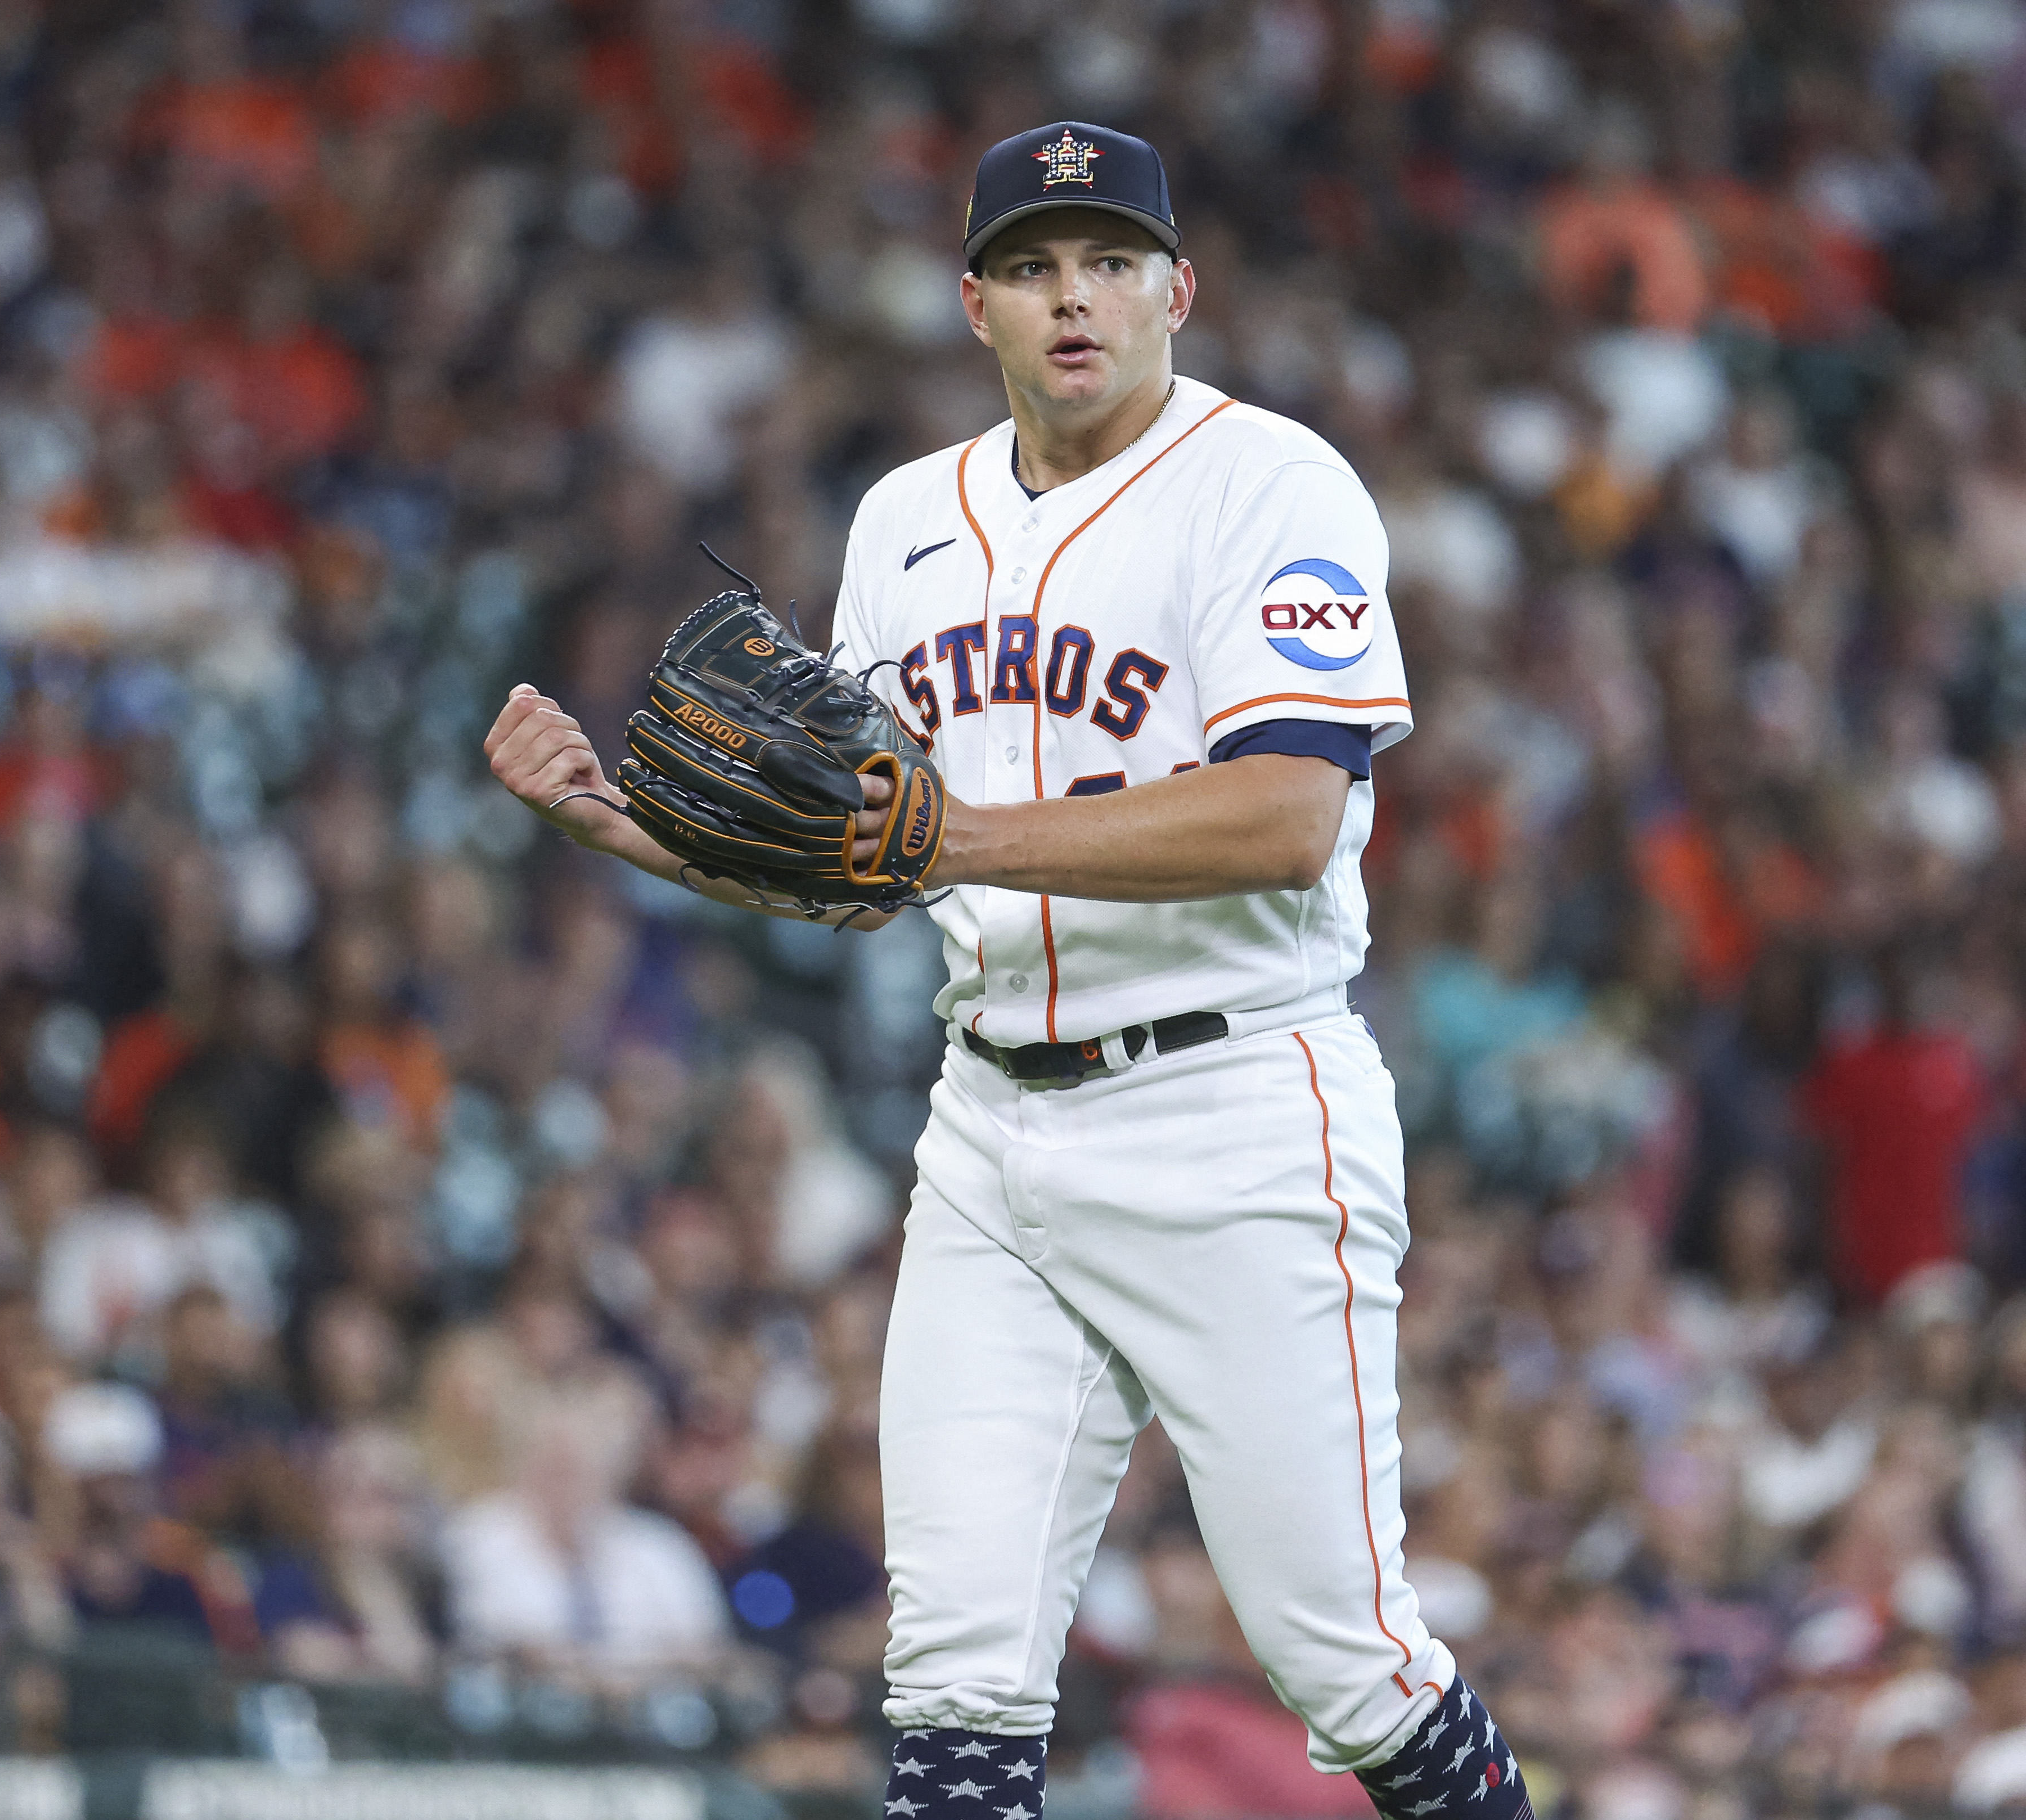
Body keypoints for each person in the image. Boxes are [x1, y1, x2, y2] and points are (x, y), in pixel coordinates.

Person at [484, 120, 1523, 1820]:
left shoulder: (1272, 484)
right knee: (953, 1688)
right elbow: (857, 855)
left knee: (1350, 1663)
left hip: (1238, 1107)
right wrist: (629, 831)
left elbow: (1281, 814)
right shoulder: (904, 521)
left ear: (1181, 288)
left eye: (1113, 261)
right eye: (1035, 265)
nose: (1076, 298)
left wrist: (952, 840)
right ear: (975, 304)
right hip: (991, 1131)